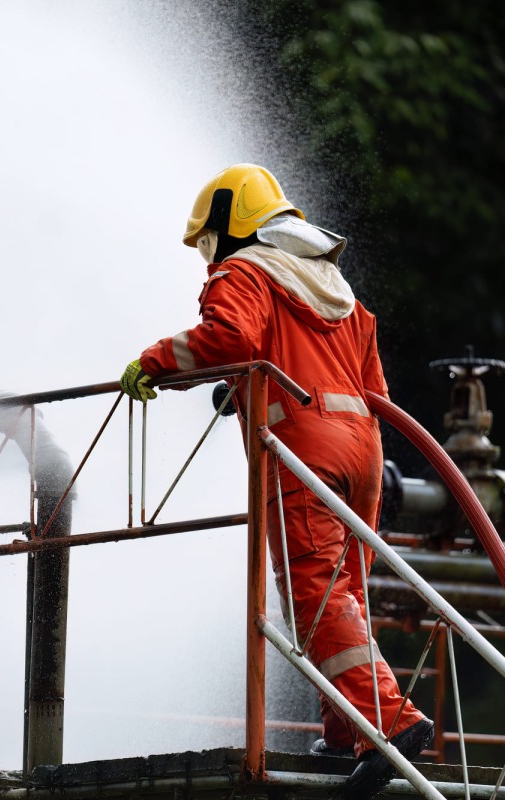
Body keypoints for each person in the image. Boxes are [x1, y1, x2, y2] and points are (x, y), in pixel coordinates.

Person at [119, 164, 433, 799]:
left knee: (314, 595)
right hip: (364, 452)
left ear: (231, 226)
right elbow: (367, 386)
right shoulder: (332, 284)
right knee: (342, 592)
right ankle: (346, 732)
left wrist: (152, 363)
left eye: (208, 241)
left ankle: (391, 721)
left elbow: (229, 334)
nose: (207, 258)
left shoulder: (245, 271)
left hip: (301, 451)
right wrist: (243, 387)